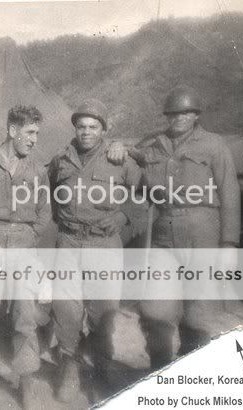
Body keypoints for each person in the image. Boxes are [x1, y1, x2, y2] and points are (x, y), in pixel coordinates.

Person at [107, 85, 242, 368]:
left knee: (198, 310)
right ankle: (160, 366)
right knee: (154, 308)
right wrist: (118, 145)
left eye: (185, 113)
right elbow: (132, 155)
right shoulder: (155, 144)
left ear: (196, 115)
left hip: (203, 230)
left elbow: (230, 193)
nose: (178, 118)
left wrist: (229, 244)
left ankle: (190, 366)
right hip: (164, 229)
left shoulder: (214, 145)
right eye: (173, 114)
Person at [48, 98, 143, 403]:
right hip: (69, 242)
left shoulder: (120, 159)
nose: (86, 132)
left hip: (104, 244)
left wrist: (124, 215)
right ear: (75, 128)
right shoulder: (61, 160)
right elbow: (50, 197)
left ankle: (101, 368)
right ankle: (69, 367)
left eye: (93, 127)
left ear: (103, 130)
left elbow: (146, 194)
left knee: (103, 312)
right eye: (81, 126)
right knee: (66, 310)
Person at [0, 105, 52, 407]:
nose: (34, 139)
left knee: (25, 316)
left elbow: (44, 213)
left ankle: (26, 379)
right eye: (29, 132)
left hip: (23, 247)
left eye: (37, 133)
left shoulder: (38, 170)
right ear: (12, 130)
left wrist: (28, 242)